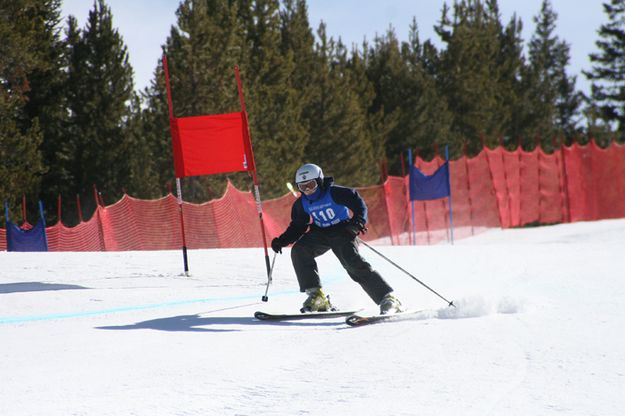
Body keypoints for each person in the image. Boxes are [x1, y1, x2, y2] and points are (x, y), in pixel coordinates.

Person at [271, 163, 403, 315]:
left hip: (342, 231)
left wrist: (357, 223)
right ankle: (316, 296)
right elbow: (298, 226)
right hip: (320, 233)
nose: (308, 190)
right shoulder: (302, 203)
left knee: (351, 262)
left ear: (319, 181)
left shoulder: (335, 193)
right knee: (300, 250)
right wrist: (282, 240)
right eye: (303, 187)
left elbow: (359, 205)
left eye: (311, 185)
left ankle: (388, 298)